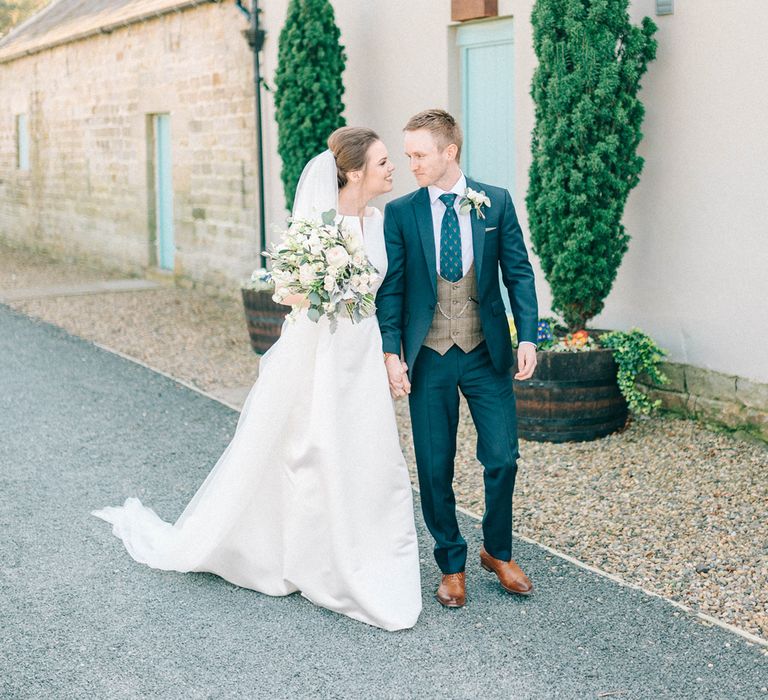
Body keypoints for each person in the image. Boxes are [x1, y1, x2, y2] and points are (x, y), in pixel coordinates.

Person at [92, 127, 422, 632]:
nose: (391, 168)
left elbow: (389, 294)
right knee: (313, 448)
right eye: (381, 163)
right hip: (323, 354)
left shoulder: (380, 222)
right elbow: (291, 294)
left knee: (369, 450)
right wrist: (321, 291)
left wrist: (389, 353)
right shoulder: (320, 226)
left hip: (363, 352)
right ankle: (310, 554)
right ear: (354, 172)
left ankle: (365, 545)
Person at [376, 109, 538, 609]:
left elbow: (519, 273)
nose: (411, 165)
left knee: (503, 457)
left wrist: (528, 336)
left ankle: (497, 550)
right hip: (429, 355)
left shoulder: (497, 202)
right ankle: (451, 562)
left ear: (450, 152)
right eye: (406, 156)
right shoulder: (402, 212)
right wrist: (390, 351)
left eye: (419, 155)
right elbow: (393, 289)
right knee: (433, 465)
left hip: (486, 352)